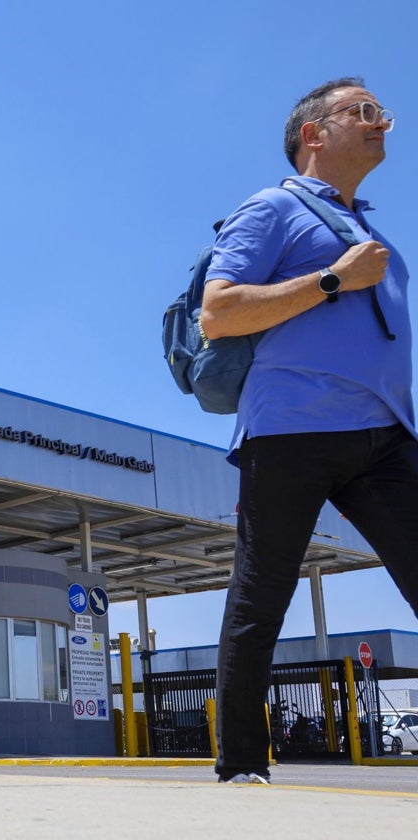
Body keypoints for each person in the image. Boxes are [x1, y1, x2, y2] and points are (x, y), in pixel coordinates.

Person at [200, 77, 418, 785]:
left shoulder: (374, 232)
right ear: (313, 135)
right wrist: (332, 279)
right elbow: (219, 313)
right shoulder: (274, 208)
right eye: (363, 111)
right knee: (263, 594)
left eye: (380, 111)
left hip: (385, 434)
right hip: (291, 429)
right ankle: (240, 765)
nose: (380, 120)